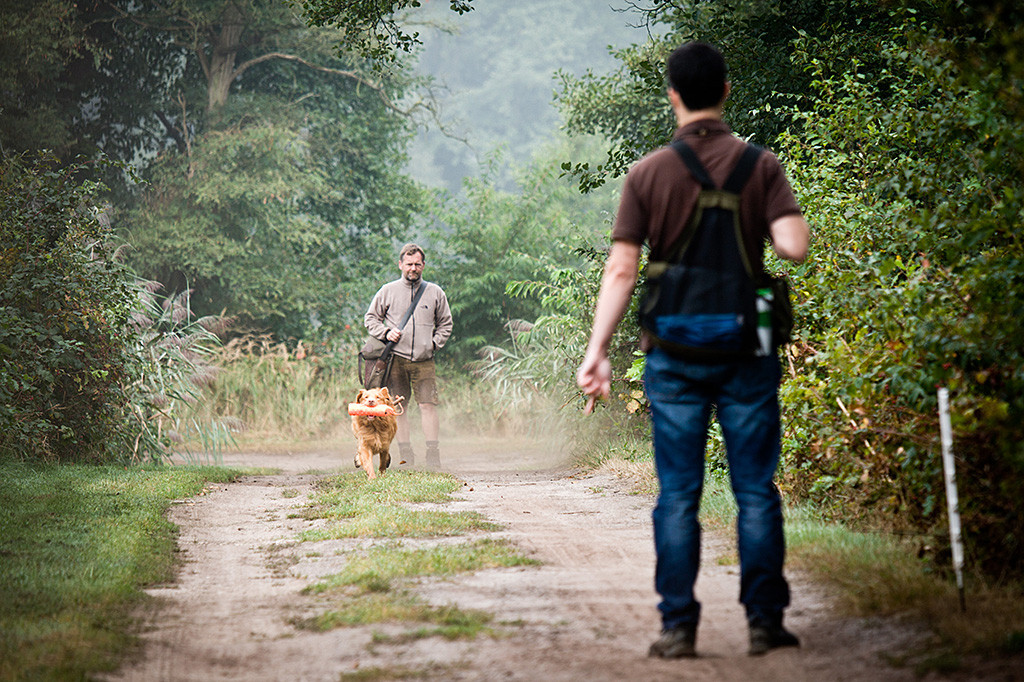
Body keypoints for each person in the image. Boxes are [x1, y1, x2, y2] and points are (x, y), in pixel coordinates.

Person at [576, 42, 810, 658]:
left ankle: (678, 627)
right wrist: (772, 213)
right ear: (726, 90)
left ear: (673, 95)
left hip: (672, 352)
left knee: (678, 493)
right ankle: (764, 623)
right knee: (755, 488)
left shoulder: (649, 172)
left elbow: (622, 269)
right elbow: (792, 246)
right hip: (746, 351)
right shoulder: (760, 166)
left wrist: (597, 350)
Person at [364, 243, 453, 467]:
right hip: (396, 358)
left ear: (423, 265)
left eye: (417, 264)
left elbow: (446, 323)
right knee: (398, 408)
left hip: (424, 360)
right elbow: (370, 319)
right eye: (409, 264)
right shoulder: (388, 290)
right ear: (400, 264)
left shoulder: (435, 292)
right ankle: (406, 454)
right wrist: (386, 332)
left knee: (428, 405)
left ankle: (433, 454)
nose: (413, 268)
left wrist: (433, 344)